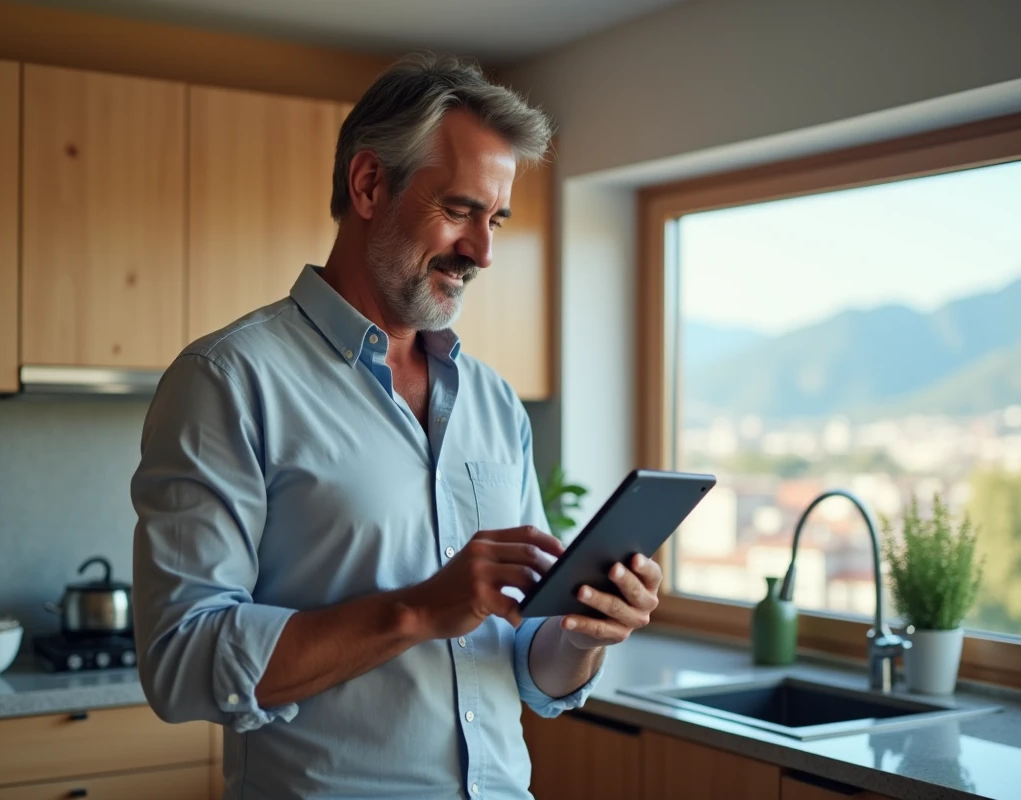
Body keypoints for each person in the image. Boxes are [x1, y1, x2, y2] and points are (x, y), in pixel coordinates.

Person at [131, 52, 662, 800]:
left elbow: (530, 669)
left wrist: (582, 633)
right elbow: (180, 662)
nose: (482, 251)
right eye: (459, 211)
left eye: (496, 219)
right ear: (370, 184)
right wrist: (415, 610)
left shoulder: (493, 401)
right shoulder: (228, 380)